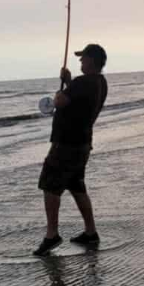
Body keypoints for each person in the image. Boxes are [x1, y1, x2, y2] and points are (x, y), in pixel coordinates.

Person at [33, 43, 108, 256]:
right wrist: (69, 83)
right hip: (82, 143)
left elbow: (61, 101)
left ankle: (52, 235)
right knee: (77, 187)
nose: (80, 61)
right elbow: (77, 100)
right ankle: (90, 232)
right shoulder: (100, 82)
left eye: (83, 58)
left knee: (49, 185)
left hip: (67, 144)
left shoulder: (83, 82)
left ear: (92, 60)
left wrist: (63, 89)